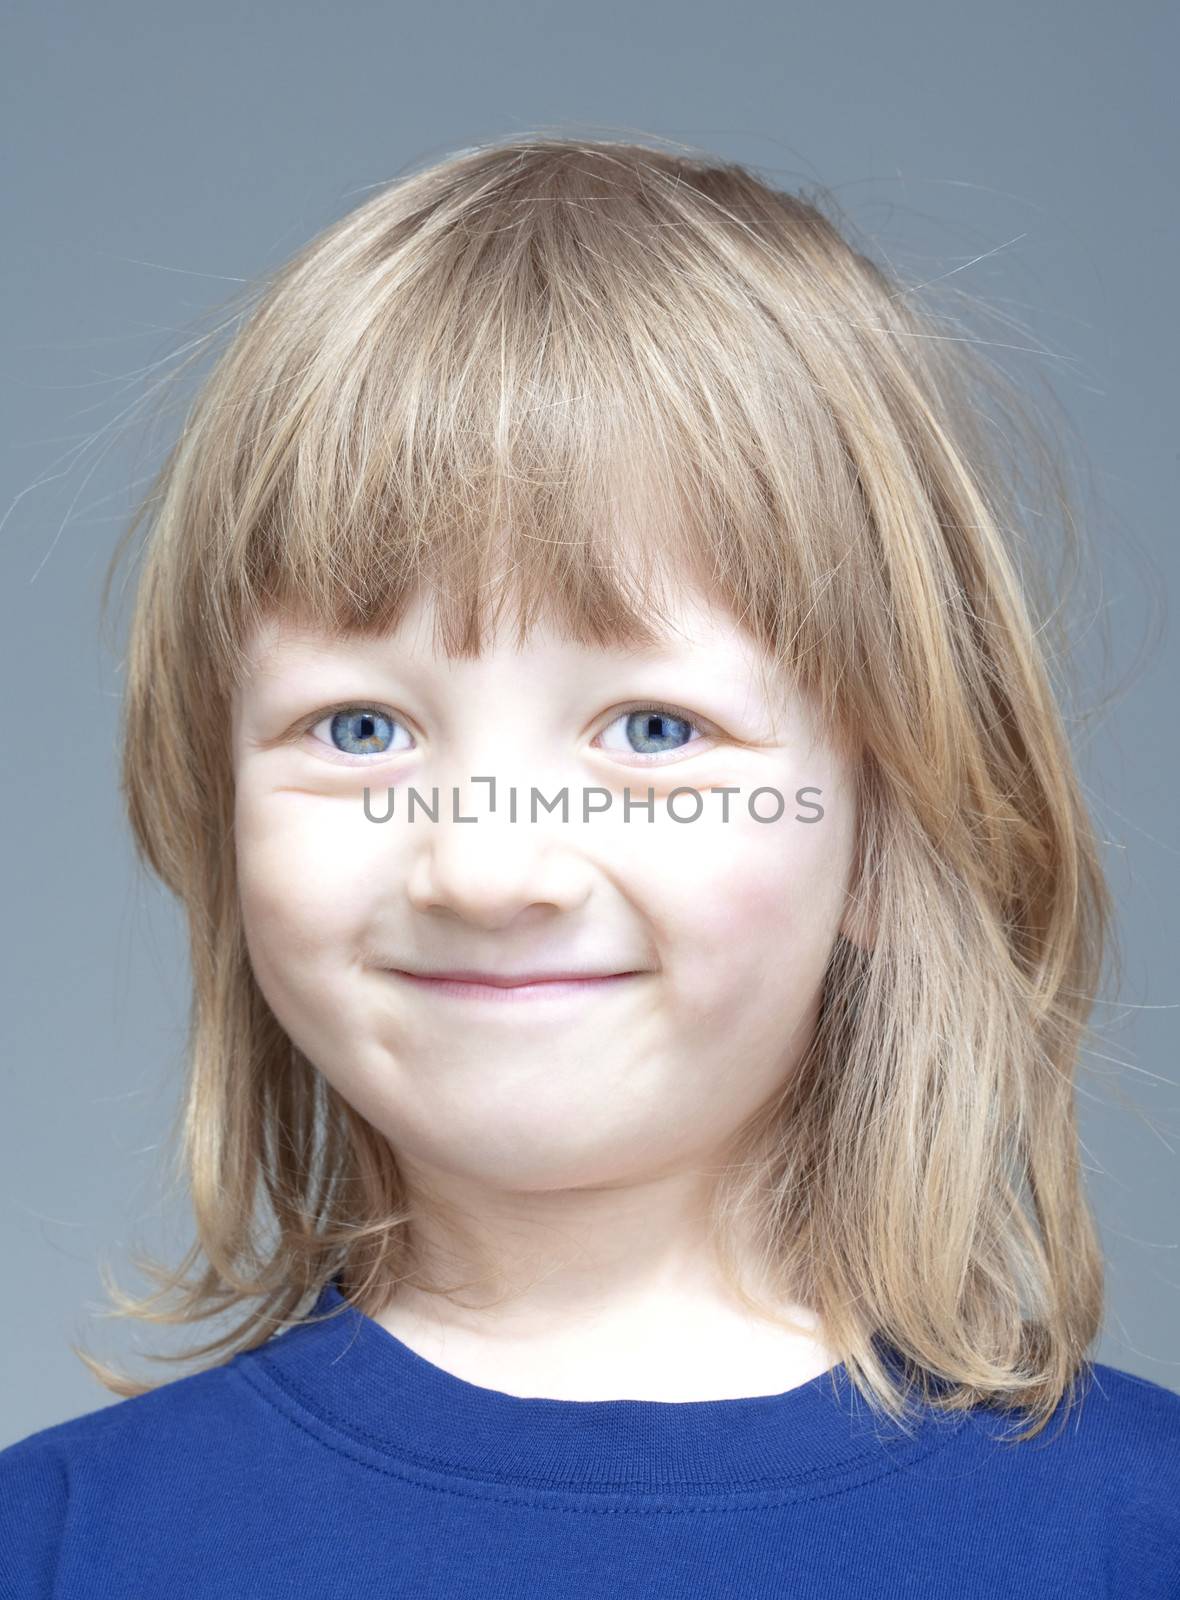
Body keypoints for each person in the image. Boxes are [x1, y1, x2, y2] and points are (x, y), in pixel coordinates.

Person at [2, 133, 1177, 1596]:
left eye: (654, 727)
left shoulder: (1143, 1535)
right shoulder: (51, 1545)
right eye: (360, 726)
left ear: (891, 825)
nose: (487, 867)